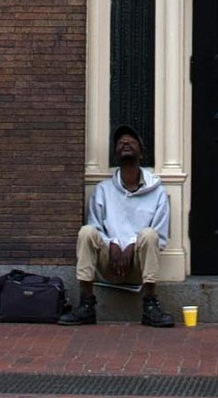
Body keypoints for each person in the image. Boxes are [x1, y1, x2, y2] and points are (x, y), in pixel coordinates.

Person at [60, 123, 174, 327]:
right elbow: (95, 226)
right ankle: (86, 304)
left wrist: (131, 245)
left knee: (149, 234)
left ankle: (150, 305)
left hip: (138, 265)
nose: (126, 144)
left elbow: (160, 237)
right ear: (115, 154)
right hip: (108, 263)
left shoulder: (157, 192)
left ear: (141, 153)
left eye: (131, 141)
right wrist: (111, 243)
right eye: (121, 142)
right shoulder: (103, 190)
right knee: (86, 232)